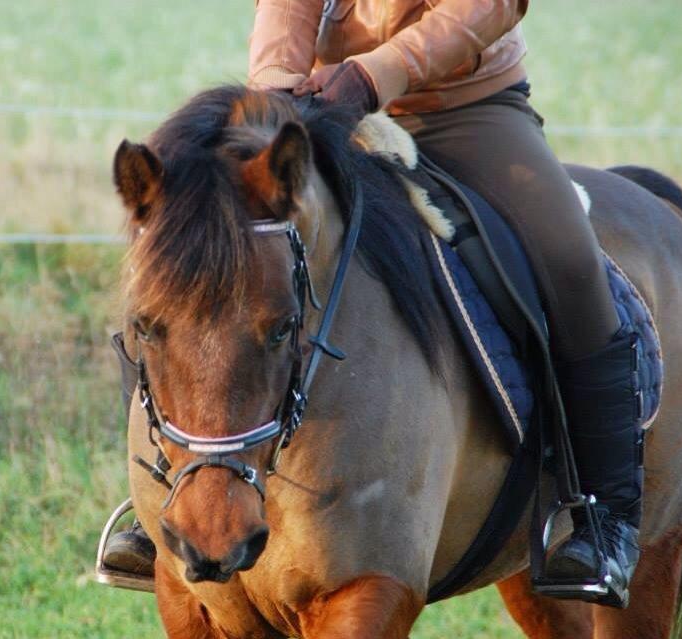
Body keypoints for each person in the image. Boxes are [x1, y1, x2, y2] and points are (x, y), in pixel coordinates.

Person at [102, 0, 643, 607]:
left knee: (568, 258)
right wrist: (276, 80)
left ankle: (605, 514)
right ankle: (162, 497)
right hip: (317, 110)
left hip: (462, 111)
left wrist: (372, 74)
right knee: (175, 246)